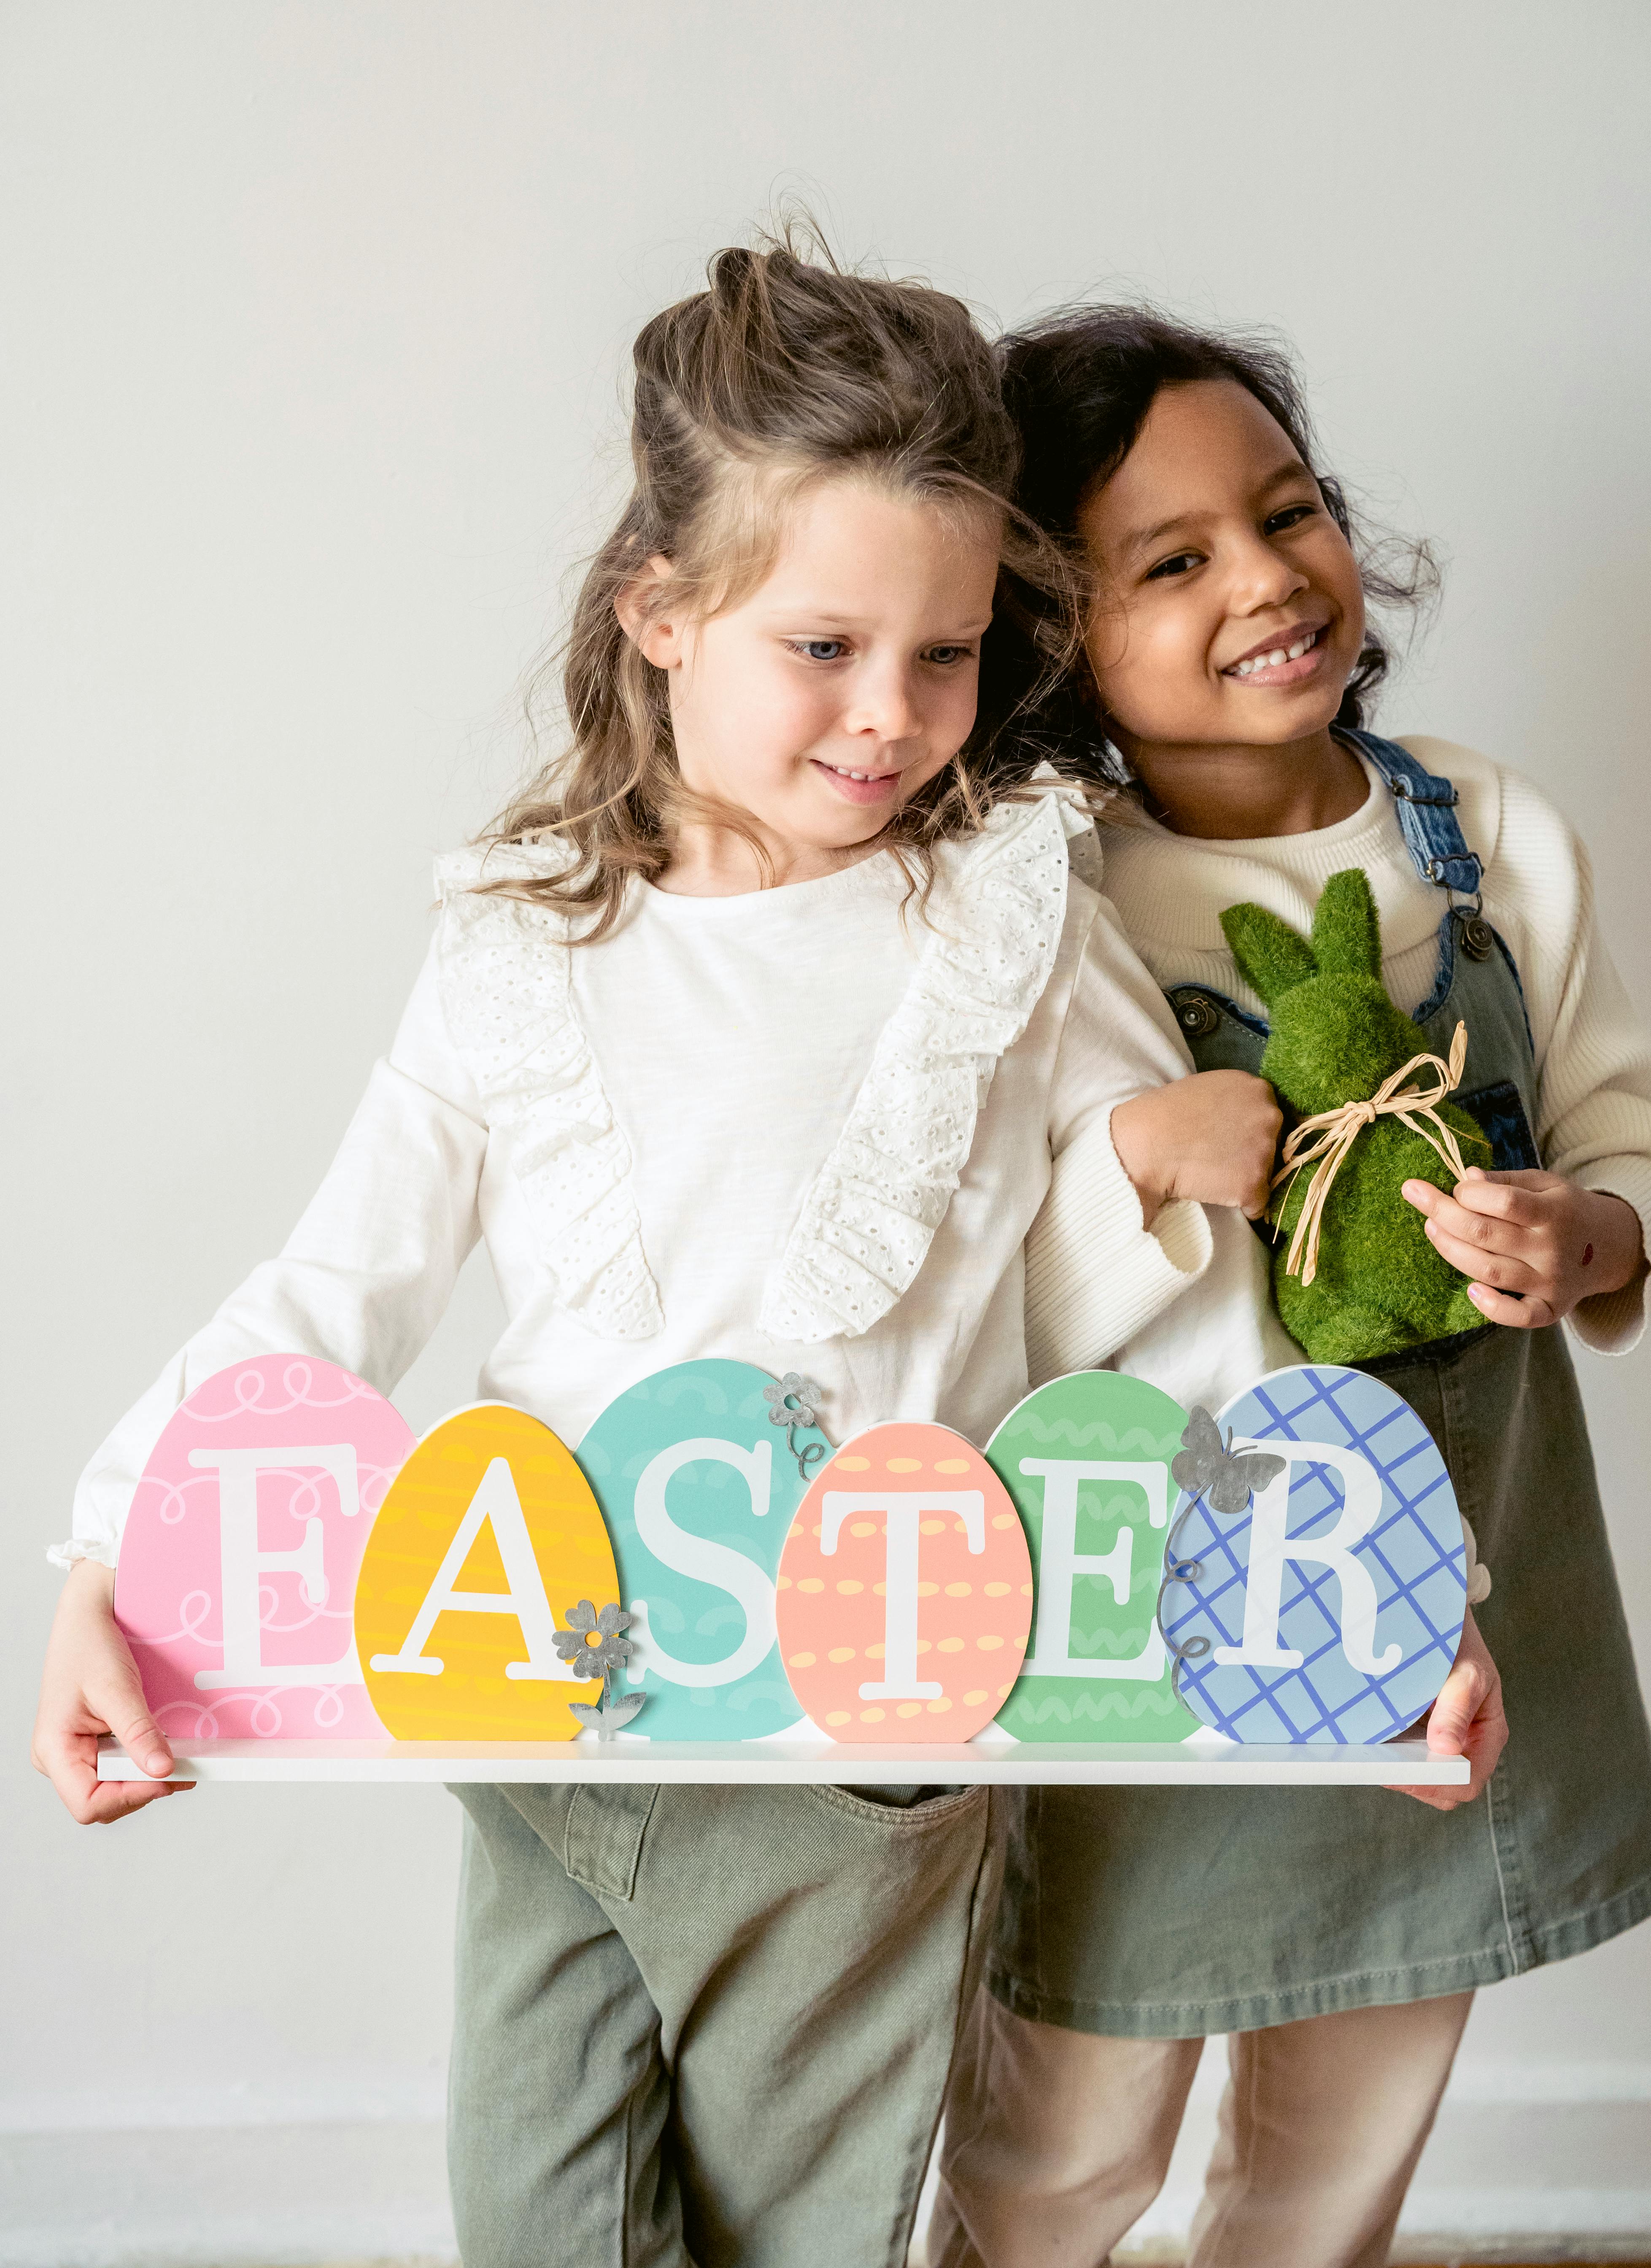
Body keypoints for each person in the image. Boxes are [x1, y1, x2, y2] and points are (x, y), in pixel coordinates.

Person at [32, 241, 1238, 2268]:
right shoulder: (523, 939)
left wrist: (1382, 1602)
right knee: (541, 2223)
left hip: (855, 1750)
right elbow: (343, 1281)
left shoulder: (1008, 915)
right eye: (826, 646)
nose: (892, 719)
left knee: (793, 2233)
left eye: (944, 657)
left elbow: (1173, 1312)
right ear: (662, 615)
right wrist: (104, 1557)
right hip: (539, 1717)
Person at [934, 305, 1651, 2268]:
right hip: (1152, 1606)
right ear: (1050, 638)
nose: (1267, 580)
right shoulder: (1046, 902)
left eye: (1290, 514)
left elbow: (1628, 1131)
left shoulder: (1487, 836)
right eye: (1170, 562)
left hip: (1457, 1586)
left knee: (1342, 2132)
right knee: (1062, 2143)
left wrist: (1583, 1233)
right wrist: (1136, 1165)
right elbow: (989, 1286)